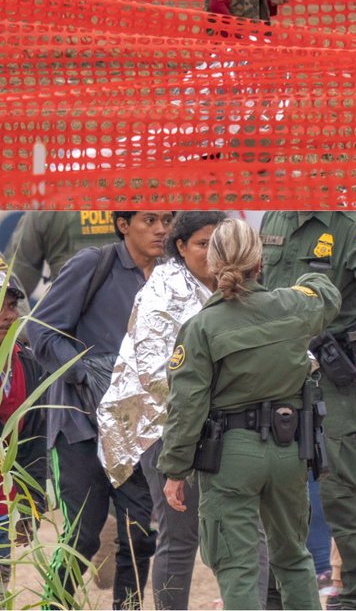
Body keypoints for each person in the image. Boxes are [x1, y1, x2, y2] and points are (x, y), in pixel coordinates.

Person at [160, 218, 341, 611]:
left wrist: (175, 469)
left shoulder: (201, 327)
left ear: (211, 264)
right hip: (288, 447)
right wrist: (293, 279)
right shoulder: (294, 306)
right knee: (294, 558)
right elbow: (325, 291)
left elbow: (186, 406)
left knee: (239, 567)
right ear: (260, 264)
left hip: (230, 455)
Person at [27, 211, 172, 610]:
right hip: (80, 425)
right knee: (84, 535)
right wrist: (83, 370)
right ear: (123, 224)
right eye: (150, 220)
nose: (162, 229)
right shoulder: (94, 264)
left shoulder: (170, 278)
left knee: (140, 533)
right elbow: (39, 330)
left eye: (169, 219)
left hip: (139, 430)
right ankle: (53, 605)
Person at [259, 211, 356, 610]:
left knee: (341, 485)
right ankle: (275, 594)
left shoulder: (352, 226)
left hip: (329, 369)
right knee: (276, 486)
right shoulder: (275, 219)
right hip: (274, 370)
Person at [97, 211, 229, 611]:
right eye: (203, 244)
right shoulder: (162, 291)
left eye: (220, 243)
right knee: (180, 535)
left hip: (228, 427)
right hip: (164, 427)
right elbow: (159, 376)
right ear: (181, 247)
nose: (213, 252)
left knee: (240, 532)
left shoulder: (237, 284)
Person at [0, 265, 46, 595]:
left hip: (5, 502)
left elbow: (34, 441)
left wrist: (32, 505)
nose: (7, 315)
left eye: (12, 305)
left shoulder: (28, 363)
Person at [9, 210, 118, 299]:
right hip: (126, 314)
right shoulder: (131, 203)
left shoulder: (46, 209)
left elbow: (14, 285)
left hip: (67, 316)